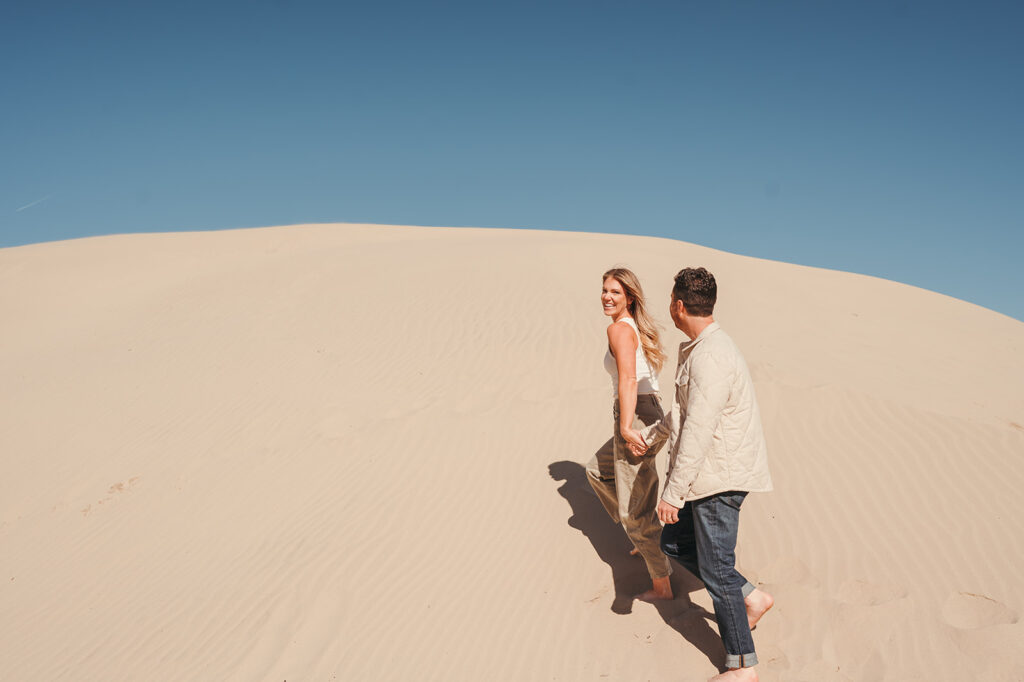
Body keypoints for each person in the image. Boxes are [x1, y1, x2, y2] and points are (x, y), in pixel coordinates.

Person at [632, 267, 774, 682]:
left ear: (678, 305)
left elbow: (698, 430)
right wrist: (653, 433)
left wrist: (673, 494)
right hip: (709, 474)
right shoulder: (701, 348)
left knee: (716, 570)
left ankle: (742, 666)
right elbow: (687, 413)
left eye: (669, 302)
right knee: (675, 544)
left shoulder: (711, 355)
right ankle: (754, 598)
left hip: (719, 477)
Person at [585, 268, 674, 602]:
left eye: (615, 292)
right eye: (604, 290)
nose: (607, 296)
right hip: (647, 410)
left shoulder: (620, 329)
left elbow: (629, 380)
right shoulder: (633, 327)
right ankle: (646, 537)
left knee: (632, 514)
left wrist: (625, 428)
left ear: (630, 297)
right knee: (596, 470)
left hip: (635, 414)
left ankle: (662, 582)